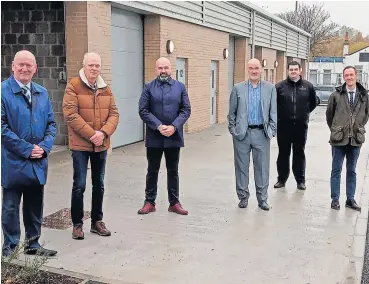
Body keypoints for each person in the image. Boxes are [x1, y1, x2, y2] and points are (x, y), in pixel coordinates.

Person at [1, 50, 57, 257]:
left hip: (37, 162)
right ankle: (10, 247)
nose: (25, 68)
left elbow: (52, 124)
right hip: (13, 162)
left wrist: (44, 147)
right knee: (10, 208)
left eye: (29, 65)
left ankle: (33, 244)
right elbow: (2, 128)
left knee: (35, 207)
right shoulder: (2, 92)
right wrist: (27, 149)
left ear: (35, 68)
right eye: (21, 64)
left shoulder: (42, 92)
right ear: (13, 66)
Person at [63, 52, 119, 240]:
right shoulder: (73, 86)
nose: (94, 68)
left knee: (99, 184)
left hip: (100, 145)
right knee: (79, 185)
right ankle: (77, 224)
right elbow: (71, 115)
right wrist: (91, 134)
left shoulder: (106, 88)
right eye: (91, 65)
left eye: (97, 65)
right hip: (80, 145)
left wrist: (102, 133)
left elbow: (114, 114)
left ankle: (97, 221)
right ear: (84, 65)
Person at [138, 57, 191, 215]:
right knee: (152, 170)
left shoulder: (180, 87)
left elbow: (186, 110)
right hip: (155, 136)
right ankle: (149, 202)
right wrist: (158, 126)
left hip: (174, 137)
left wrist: (174, 126)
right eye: (160, 68)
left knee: (173, 171)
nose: (163, 70)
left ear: (171, 69)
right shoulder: (148, 87)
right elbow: (143, 110)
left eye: (166, 67)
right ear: (156, 70)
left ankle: (174, 203)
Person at [228, 58, 277, 211]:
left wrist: (271, 130)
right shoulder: (238, 88)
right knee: (241, 167)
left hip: (261, 133)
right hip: (242, 134)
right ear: (247, 70)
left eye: (256, 68)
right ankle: (243, 197)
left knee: (262, 167)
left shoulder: (270, 88)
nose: (254, 71)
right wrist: (234, 130)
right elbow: (232, 113)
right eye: (251, 68)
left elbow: (273, 112)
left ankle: (262, 199)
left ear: (261, 69)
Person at [326, 66, 369, 211]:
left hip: (355, 140)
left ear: (356, 76)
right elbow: (329, 116)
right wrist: (337, 129)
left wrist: (357, 128)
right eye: (346, 75)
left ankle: (350, 199)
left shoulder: (364, 95)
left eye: (351, 75)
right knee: (336, 170)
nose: (349, 78)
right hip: (338, 140)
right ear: (343, 77)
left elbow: (366, 115)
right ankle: (335, 199)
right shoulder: (335, 95)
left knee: (352, 170)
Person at [274, 61, 317, 190]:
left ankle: (300, 180)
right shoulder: (279, 87)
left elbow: (313, 103)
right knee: (283, 153)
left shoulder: (308, 86)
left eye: (295, 69)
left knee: (299, 153)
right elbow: (274, 105)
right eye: (291, 69)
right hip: (284, 127)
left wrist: (303, 114)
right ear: (288, 70)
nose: (293, 71)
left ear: (300, 70)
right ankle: (281, 179)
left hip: (300, 126)